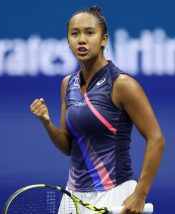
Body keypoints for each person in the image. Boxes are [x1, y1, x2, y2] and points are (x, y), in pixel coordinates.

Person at [30, 5, 165, 214]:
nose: (81, 39)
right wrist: (47, 123)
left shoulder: (122, 85)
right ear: (68, 41)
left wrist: (140, 193)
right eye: (74, 34)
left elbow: (156, 139)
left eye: (89, 33)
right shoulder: (68, 84)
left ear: (104, 39)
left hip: (115, 194)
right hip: (72, 196)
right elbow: (68, 146)